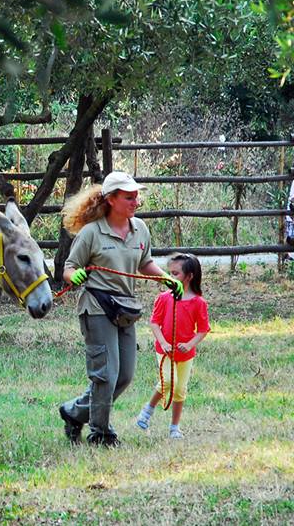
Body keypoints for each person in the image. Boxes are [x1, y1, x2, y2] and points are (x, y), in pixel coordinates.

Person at [57, 171, 183, 447]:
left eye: (136, 196)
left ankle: (74, 412)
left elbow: (145, 262)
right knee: (105, 374)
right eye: (129, 197)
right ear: (111, 200)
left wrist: (167, 279)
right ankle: (101, 433)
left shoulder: (140, 229)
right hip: (97, 307)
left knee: (124, 375)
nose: (135, 201)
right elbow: (69, 267)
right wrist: (73, 276)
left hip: (125, 308)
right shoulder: (92, 232)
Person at [135, 252, 210, 439]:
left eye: (175, 274)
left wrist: (190, 344)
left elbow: (203, 329)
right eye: (169, 273)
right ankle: (148, 410)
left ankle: (174, 427)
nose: (170, 278)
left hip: (186, 354)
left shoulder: (198, 302)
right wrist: (163, 342)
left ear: (190, 276)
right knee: (168, 381)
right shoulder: (164, 298)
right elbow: (154, 322)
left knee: (179, 390)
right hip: (165, 350)